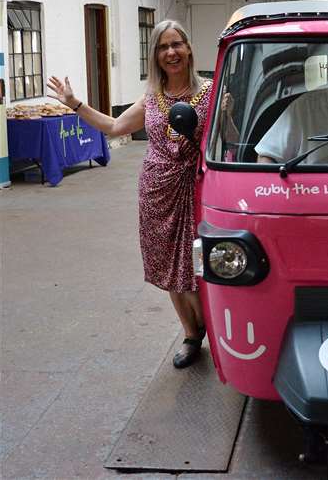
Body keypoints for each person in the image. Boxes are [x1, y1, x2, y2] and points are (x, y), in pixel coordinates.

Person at [47, 20, 214, 369]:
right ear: (154, 56)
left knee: (199, 266)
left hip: (198, 190)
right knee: (169, 266)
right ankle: (190, 334)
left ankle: (210, 330)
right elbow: (113, 126)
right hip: (156, 190)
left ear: (189, 49)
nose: (171, 53)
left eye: (177, 45)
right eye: (163, 47)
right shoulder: (151, 100)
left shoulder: (211, 93)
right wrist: (74, 103)